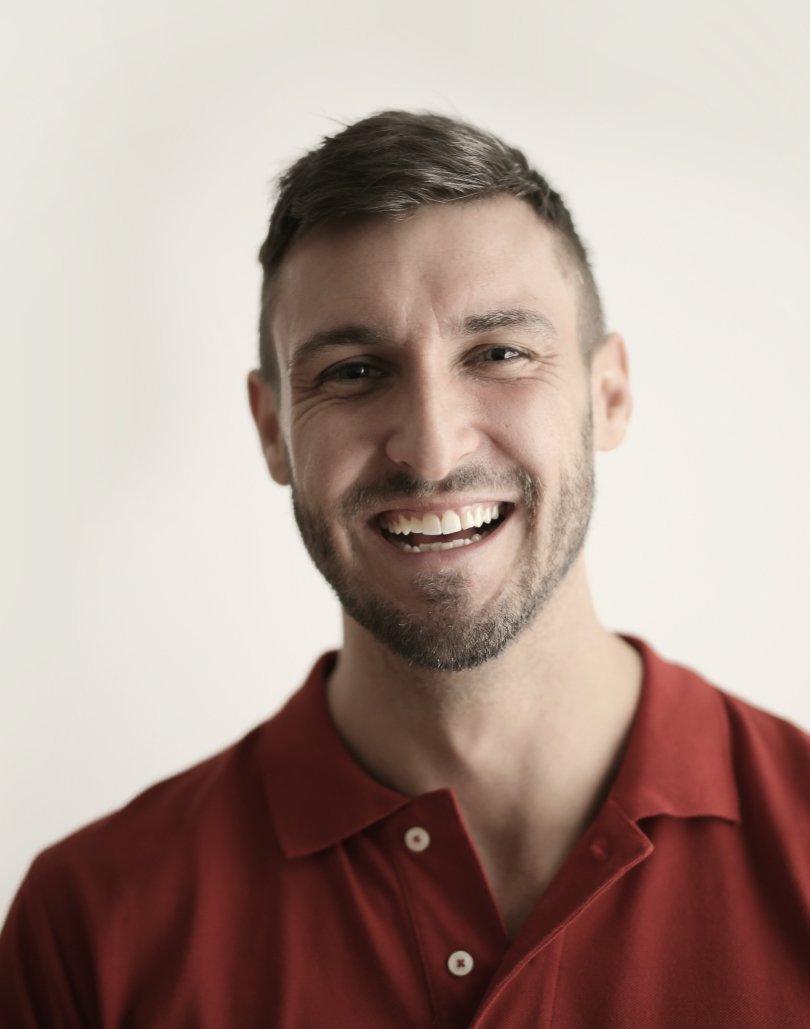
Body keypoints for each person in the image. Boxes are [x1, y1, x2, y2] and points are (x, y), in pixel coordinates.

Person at [2, 110, 809, 1028]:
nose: (431, 449)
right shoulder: (91, 925)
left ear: (609, 394)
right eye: (353, 372)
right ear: (273, 431)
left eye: (498, 354)